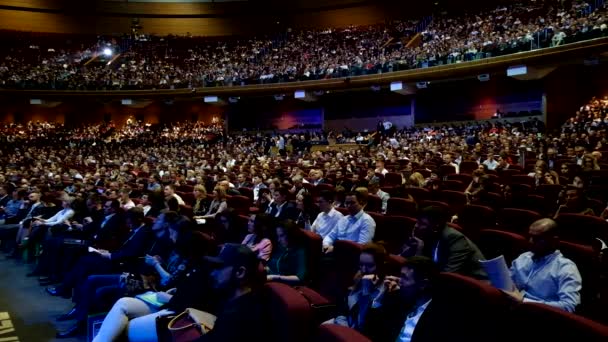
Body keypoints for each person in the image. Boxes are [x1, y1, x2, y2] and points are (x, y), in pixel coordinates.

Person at [507, 218, 582, 313]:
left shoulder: (566, 268)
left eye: (537, 239)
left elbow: (569, 306)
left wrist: (524, 302)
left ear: (554, 241)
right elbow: (508, 283)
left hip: (541, 317)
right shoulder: (523, 257)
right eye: (529, 236)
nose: (530, 241)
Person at [400, 206, 487, 280]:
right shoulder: (428, 235)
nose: (416, 226)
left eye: (421, 223)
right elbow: (404, 259)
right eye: (417, 222)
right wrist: (414, 247)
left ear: (436, 226)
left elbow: (448, 275)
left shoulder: (455, 239)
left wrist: (419, 251)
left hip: (476, 284)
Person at [365, 256, 439, 342]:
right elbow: (370, 329)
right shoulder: (398, 299)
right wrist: (381, 295)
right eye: (400, 276)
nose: (399, 281)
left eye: (405, 277)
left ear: (423, 284)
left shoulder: (439, 318)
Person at [327, 243, 388, 332]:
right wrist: (342, 327)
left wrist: (366, 292)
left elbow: (363, 325)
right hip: (344, 326)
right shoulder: (358, 278)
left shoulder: (385, 291)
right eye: (361, 264)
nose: (363, 270)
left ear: (381, 266)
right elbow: (343, 309)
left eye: (369, 265)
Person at [266, 220, 308, 285]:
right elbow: (270, 266)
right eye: (278, 236)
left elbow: (300, 278)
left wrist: (275, 278)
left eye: (281, 236)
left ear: (291, 235)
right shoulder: (281, 247)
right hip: (269, 279)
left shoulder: (300, 252)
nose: (278, 240)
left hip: (282, 285)